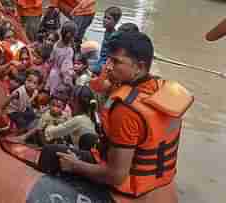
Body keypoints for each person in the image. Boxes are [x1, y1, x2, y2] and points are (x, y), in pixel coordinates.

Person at [38, 32, 194, 202]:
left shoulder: (126, 109)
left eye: (116, 62)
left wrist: (75, 165)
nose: (109, 66)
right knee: (87, 139)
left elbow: (116, 176)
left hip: (129, 184)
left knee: (51, 152)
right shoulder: (161, 88)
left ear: (139, 66)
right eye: (109, 60)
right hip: (156, 176)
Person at [46, 21, 76, 96]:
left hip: (52, 73)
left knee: (51, 93)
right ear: (70, 35)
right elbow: (65, 70)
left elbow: (51, 60)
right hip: (60, 78)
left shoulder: (56, 44)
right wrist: (70, 84)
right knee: (57, 96)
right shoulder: (69, 50)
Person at [91, 6, 122, 75]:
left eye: (109, 18)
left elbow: (112, 57)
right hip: (101, 60)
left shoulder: (114, 36)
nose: (105, 20)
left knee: (88, 66)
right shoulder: (107, 31)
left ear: (116, 22)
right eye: (104, 17)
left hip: (105, 64)